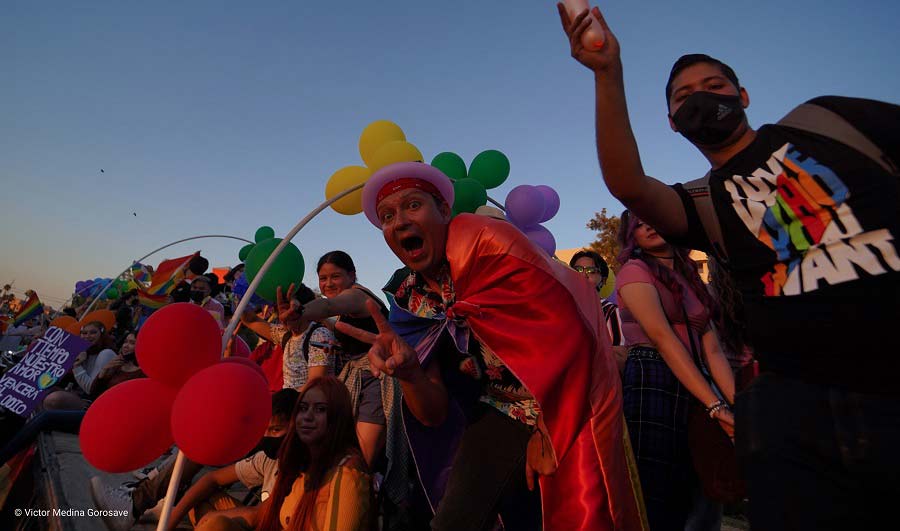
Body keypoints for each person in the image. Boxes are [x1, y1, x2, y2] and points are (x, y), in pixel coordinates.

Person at [559, 6, 900, 529]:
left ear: (742, 96)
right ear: (673, 123)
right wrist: (609, 74)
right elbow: (629, 185)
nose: (700, 96)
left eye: (714, 84)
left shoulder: (828, 122)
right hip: (795, 413)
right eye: (682, 95)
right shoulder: (705, 202)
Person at [337, 161, 646, 530]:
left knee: (580, 509)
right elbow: (432, 413)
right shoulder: (410, 299)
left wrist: (550, 430)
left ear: (445, 211)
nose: (399, 221)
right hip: (499, 408)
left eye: (413, 205)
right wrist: (409, 373)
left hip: (570, 393)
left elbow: (569, 330)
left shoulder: (487, 242)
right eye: (387, 215)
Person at [615, 210, 735, 530]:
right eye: (638, 225)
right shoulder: (634, 270)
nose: (648, 226)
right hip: (653, 374)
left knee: (699, 483)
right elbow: (663, 338)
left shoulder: (692, 277)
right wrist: (714, 404)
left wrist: (734, 405)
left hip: (697, 379)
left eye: (651, 218)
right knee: (656, 489)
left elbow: (713, 350)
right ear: (632, 237)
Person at [284, 251, 409, 527]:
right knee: (343, 453)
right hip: (355, 380)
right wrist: (298, 317)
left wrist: (302, 310)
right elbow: (328, 315)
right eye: (323, 278)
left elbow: (327, 308)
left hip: (378, 379)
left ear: (352, 275)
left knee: (359, 459)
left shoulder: (356, 296)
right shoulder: (342, 311)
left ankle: (353, 514)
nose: (328, 283)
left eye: (335, 276)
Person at [90, 389, 298, 531]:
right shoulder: (268, 458)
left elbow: (259, 515)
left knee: (216, 521)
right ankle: (149, 501)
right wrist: (174, 518)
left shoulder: (302, 467)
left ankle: (139, 502)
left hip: (268, 521)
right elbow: (212, 480)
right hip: (263, 408)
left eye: (276, 430)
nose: (268, 437)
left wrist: (211, 522)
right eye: (266, 430)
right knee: (194, 495)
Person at [252, 376, 372, 531]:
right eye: (303, 408)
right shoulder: (301, 462)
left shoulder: (347, 473)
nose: (307, 417)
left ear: (337, 417)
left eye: (320, 409)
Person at [241, 283, 334, 391]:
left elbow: (315, 383)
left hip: (306, 405)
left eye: (290, 309)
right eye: (280, 310)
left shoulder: (319, 335)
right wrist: (247, 291)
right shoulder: (285, 334)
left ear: (305, 309)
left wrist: (285, 402)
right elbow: (250, 320)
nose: (284, 316)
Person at [569, 249, 626, 371]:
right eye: (578, 270)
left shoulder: (611, 312)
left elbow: (620, 359)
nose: (583, 275)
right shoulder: (560, 308)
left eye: (591, 271)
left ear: (603, 280)